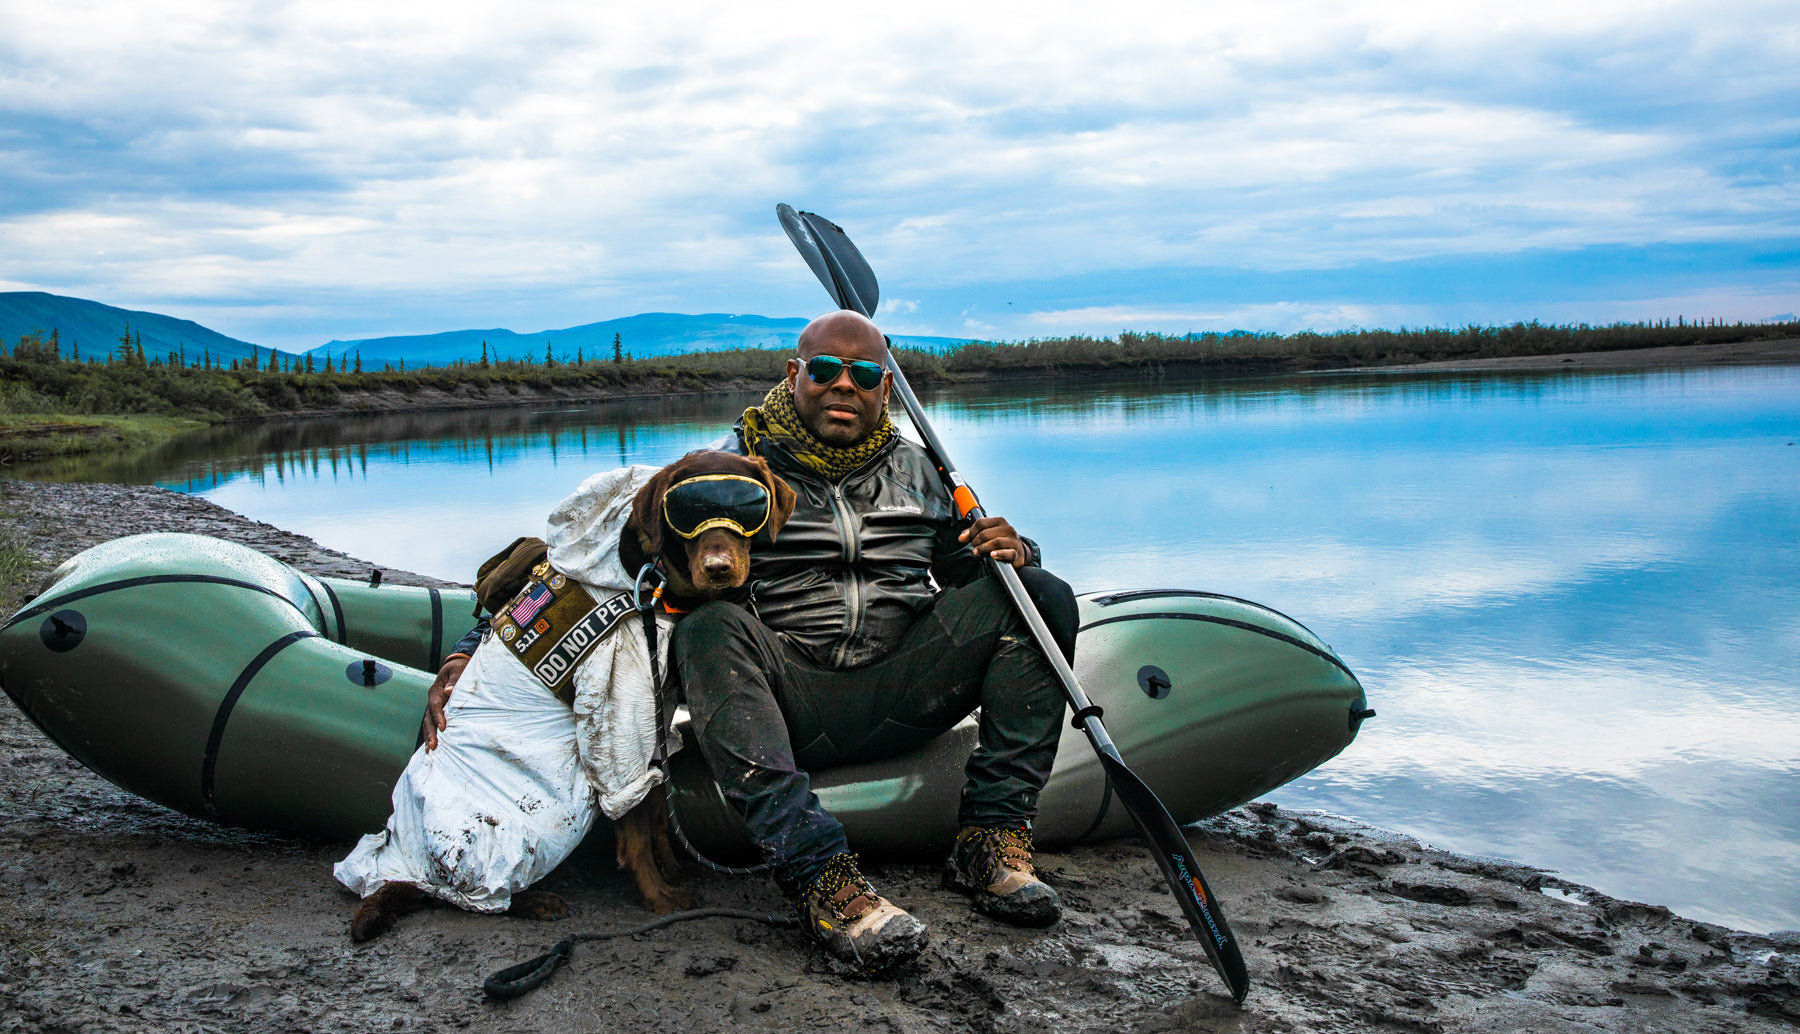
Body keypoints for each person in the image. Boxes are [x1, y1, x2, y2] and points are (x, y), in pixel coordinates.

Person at [674, 309, 1078, 968]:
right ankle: (822, 879)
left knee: (1040, 594)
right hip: (792, 699)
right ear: (794, 374)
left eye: (863, 374)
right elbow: (633, 561)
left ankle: (990, 842)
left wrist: (1013, 550)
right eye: (826, 370)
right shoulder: (733, 468)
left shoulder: (925, 473)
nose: (844, 387)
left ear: (885, 389)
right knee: (709, 627)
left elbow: (964, 571)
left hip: (904, 688)